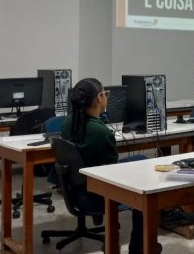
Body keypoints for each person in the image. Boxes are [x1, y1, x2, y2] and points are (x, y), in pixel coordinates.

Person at [60, 78, 158, 254]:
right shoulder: (101, 133)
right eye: (105, 93)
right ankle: (139, 246)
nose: (107, 97)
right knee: (145, 186)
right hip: (97, 193)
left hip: (77, 188)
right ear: (99, 98)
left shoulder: (68, 123)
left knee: (141, 159)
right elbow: (114, 173)